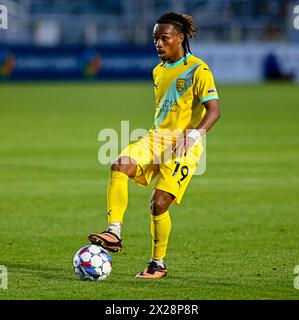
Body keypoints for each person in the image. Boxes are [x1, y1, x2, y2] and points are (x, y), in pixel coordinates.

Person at [88, 12, 221, 279]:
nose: (158, 43)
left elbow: (214, 111)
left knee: (158, 204)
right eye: (155, 38)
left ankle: (157, 264)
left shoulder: (199, 69)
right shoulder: (158, 71)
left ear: (180, 38)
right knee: (119, 165)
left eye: (164, 38)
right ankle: (114, 231)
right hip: (156, 138)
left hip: (185, 145)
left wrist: (193, 136)